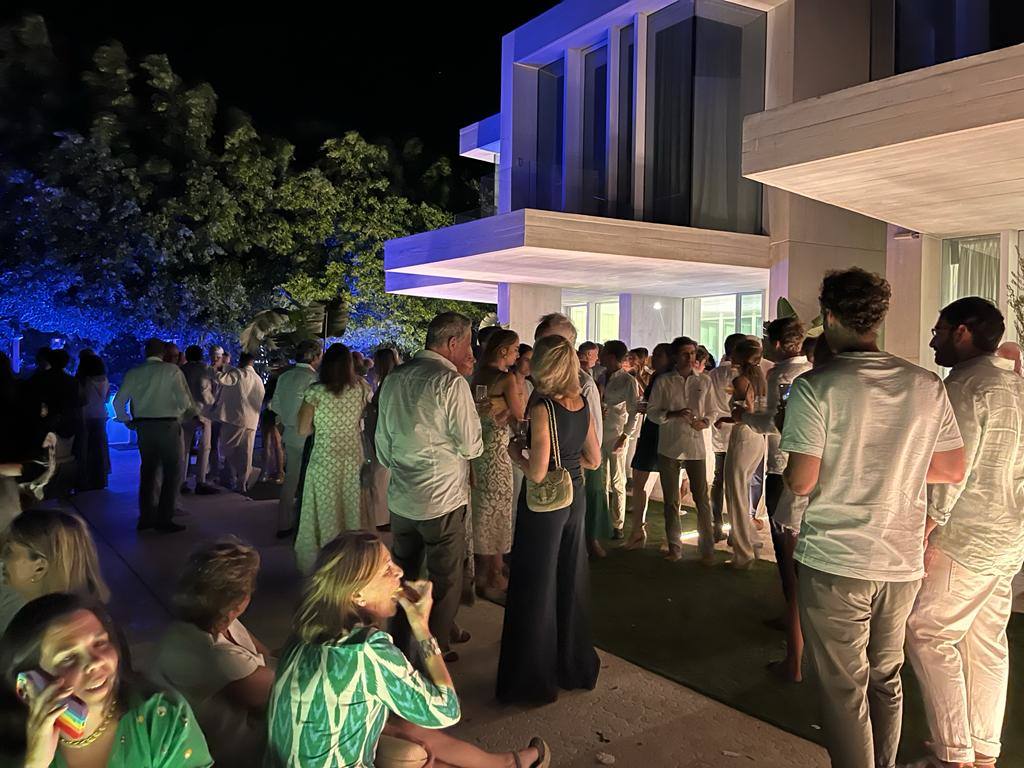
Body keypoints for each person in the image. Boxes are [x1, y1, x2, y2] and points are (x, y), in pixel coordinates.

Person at [780, 268, 965, 768]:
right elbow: (951, 467)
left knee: (844, 689)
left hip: (837, 557)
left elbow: (800, 481)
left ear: (831, 316)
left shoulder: (815, 387)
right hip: (900, 558)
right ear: (877, 320)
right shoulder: (926, 385)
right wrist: (894, 461)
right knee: (886, 678)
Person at [266, 531, 550, 768]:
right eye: (386, 570)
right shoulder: (366, 649)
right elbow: (446, 710)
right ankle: (507, 764)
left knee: (410, 731)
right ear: (356, 594)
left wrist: (388, 729)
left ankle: (505, 764)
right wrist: (422, 628)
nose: (399, 572)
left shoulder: (303, 632)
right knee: (421, 754)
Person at [905, 298, 1024, 768]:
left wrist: (928, 527)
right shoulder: (1015, 387)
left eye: (938, 330)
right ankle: (983, 751)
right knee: (987, 640)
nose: (932, 339)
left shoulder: (963, 388)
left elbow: (953, 469)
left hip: (966, 535)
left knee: (928, 632)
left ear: (961, 332)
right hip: (1009, 533)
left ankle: (954, 753)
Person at [500, 334, 602, 705]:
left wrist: (515, 453)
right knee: (570, 578)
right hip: (575, 499)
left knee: (537, 583)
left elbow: (539, 472)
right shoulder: (582, 403)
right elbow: (594, 459)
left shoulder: (543, 407)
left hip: (547, 506)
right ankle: (571, 662)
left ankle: (533, 677)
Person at [376, 313, 482, 662]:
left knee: (402, 573)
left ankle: (400, 639)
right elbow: (470, 445)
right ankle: (434, 647)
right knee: (445, 576)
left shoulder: (395, 378)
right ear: (453, 343)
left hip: (403, 495)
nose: (470, 351)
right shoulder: (451, 383)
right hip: (442, 498)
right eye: (468, 343)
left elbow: (382, 442)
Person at [0, 593, 212, 767]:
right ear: (29, 683)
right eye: (69, 658)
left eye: (100, 643)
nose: (95, 663)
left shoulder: (160, 716)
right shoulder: (14, 743)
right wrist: (35, 763)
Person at [156, 538, 274, 768]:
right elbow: (281, 695)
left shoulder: (221, 622)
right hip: (238, 754)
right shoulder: (218, 657)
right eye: (251, 586)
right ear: (239, 601)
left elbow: (267, 655)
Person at [292, 343, 372, 573]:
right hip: (352, 458)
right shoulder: (361, 388)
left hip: (324, 459)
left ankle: (325, 565)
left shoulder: (315, 392)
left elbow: (303, 429)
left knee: (324, 511)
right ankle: (353, 564)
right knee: (351, 509)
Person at [534, 315, 606, 558]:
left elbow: (593, 450)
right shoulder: (540, 386)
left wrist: (562, 464)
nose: (544, 351)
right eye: (541, 343)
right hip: (562, 482)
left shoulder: (582, 386)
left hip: (561, 484)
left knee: (553, 558)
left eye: (552, 343)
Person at [112, 338, 195, 533]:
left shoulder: (135, 373)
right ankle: (164, 518)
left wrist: (126, 420)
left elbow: (119, 401)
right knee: (172, 473)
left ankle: (146, 517)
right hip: (167, 424)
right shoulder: (172, 371)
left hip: (144, 426)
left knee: (148, 471)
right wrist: (183, 416)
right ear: (164, 353)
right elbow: (185, 401)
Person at [647, 336, 715, 563]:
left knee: (702, 498)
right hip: (669, 446)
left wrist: (704, 422)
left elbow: (712, 412)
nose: (690, 358)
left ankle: (707, 549)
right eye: (685, 354)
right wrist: (673, 414)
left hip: (695, 445)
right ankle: (675, 547)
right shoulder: (664, 381)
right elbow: (652, 413)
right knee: (671, 500)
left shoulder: (704, 381)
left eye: (693, 354)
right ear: (675, 356)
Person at [469, 330, 524, 601]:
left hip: (479, 450)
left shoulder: (477, 376)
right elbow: (521, 414)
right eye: (514, 349)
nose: (517, 354)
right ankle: (495, 573)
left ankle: (484, 568)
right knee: (499, 511)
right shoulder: (506, 379)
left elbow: (479, 410)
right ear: (503, 350)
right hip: (498, 451)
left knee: (482, 510)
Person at [0, 508, 111, 636]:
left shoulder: (36, 634)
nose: (2, 557)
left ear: (39, 568)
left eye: (9, 551)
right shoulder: (92, 617)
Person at [714, 338, 767, 569]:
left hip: (743, 436)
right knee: (741, 490)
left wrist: (727, 417)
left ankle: (742, 552)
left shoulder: (740, 381)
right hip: (757, 437)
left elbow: (741, 413)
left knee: (735, 492)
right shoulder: (761, 379)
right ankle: (751, 541)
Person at [269, 340, 322, 538]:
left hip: (290, 434)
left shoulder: (285, 377)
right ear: (315, 357)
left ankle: (283, 523)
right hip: (310, 435)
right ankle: (305, 525)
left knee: (291, 478)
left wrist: (285, 423)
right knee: (309, 482)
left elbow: (276, 406)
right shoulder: (314, 379)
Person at [623, 343, 672, 549]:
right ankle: (637, 531)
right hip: (650, 432)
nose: (654, 358)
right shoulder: (656, 378)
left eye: (659, 355)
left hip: (665, 434)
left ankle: (670, 537)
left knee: (670, 488)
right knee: (639, 482)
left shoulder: (670, 380)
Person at [706, 333, 748, 542]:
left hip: (718, 432)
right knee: (737, 482)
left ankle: (717, 526)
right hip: (738, 433)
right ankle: (733, 530)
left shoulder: (713, 374)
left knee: (719, 480)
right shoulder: (744, 375)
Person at [599, 340, 640, 539]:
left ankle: (617, 524)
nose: (600, 356)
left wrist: (625, 436)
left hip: (616, 434)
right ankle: (603, 520)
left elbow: (634, 411)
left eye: (604, 353)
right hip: (599, 433)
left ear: (613, 357)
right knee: (601, 480)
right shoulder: (600, 376)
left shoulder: (627, 381)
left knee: (617, 480)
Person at [211, 353, 265, 493]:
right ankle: (243, 482)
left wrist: (215, 367)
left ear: (241, 361)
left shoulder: (238, 373)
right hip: (252, 421)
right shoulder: (258, 379)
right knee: (246, 452)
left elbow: (222, 379)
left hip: (235, 418)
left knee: (226, 448)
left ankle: (241, 476)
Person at [364, 347, 400, 529]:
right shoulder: (392, 380)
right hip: (388, 434)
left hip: (384, 435)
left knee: (380, 476)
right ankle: (384, 516)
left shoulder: (388, 382)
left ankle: (382, 518)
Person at [180, 345, 220, 495]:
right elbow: (212, 388)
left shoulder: (181, 370)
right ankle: (200, 481)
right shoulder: (206, 369)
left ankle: (181, 481)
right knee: (205, 447)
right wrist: (212, 403)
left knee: (184, 448)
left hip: (185, 412)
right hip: (204, 411)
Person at [73, 351, 110, 492]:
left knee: (84, 450)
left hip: (85, 417)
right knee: (100, 450)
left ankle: (84, 481)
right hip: (101, 416)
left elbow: (80, 401)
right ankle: (100, 479)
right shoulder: (105, 380)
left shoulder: (82, 381)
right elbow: (106, 399)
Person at [259, 354, 288, 484]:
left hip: (273, 413)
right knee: (271, 444)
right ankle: (272, 472)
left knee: (274, 443)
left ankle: (276, 472)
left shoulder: (277, 381)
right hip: (270, 413)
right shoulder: (277, 381)